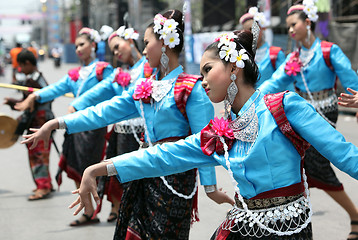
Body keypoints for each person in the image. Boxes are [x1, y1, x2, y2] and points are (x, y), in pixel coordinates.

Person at [60, 29, 358, 239]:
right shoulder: (220, 133)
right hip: (244, 226)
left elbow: (344, 154)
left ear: (233, 68)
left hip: (287, 231)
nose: (202, 80)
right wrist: (100, 169)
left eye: (207, 70)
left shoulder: (282, 107)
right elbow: (165, 155)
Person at [21, 10, 233, 239]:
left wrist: (210, 188)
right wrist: (56, 123)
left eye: (146, 43)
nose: (142, 51)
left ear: (164, 43)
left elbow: (204, 143)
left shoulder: (191, 89)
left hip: (175, 182)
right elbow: (102, 112)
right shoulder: (144, 87)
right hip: (141, 172)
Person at [258, 1, 358, 239]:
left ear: (308, 23)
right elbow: (274, 83)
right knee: (300, 165)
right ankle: (302, 223)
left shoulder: (328, 50)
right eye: (288, 26)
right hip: (300, 115)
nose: (291, 30)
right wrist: (251, 97)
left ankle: (352, 215)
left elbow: (349, 77)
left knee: (314, 163)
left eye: (294, 25)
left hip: (325, 111)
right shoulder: (293, 58)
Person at [15, 27, 113, 226]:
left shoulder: (103, 70)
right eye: (76, 45)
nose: (78, 49)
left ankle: (115, 209)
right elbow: (55, 89)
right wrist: (35, 95)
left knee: (98, 167)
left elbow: (111, 93)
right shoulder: (74, 74)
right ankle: (89, 211)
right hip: (75, 125)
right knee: (77, 167)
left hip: (96, 125)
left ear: (93, 46)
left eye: (82, 44)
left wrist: (78, 104)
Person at [69, 25, 150, 223]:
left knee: (141, 177)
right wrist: (76, 106)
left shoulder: (148, 68)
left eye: (117, 46)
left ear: (130, 41)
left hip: (145, 134)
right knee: (117, 173)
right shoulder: (120, 73)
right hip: (122, 131)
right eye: (112, 50)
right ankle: (118, 208)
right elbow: (100, 93)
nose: (116, 52)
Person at [4, 49, 54, 200]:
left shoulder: (35, 80)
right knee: (40, 154)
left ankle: (43, 187)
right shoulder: (35, 78)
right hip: (39, 121)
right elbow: (25, 103)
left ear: (27, 63)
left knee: (38, 154)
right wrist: (13, 103)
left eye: (21, 66)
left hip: (40, 122)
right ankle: (45, 183)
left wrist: (16, 103)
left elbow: (43, 99)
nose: (20, 69)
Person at [239, 7, 294, 90]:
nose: (250, 34)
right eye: (246, 31)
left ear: (262, 28)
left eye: (253, 29)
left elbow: (287, 84)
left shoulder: (275, 54)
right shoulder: (242, 57)